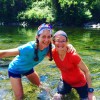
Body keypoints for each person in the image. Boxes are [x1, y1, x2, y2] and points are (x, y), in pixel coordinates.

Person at [0, 24, 74, 100]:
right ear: (37, 37)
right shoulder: (28, 48)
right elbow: (4, 53)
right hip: (15, 70)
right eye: (43, 36)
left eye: (49, 37)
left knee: (42, 86)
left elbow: (61, 47)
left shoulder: (49, 47)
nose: (46, 40)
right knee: (20, 97)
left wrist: (69, 46)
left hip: (28, 69)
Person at [52, 30, 95, 100]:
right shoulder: (52, 53)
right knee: (56, 98)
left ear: (67, 42)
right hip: (65, 81)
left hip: (80, 83)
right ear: (53, 42)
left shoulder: (73, 55)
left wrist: (91, 92)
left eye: (63, 41)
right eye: (58, 40)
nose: (60, 43)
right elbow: (41, 48)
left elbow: (86, 71)